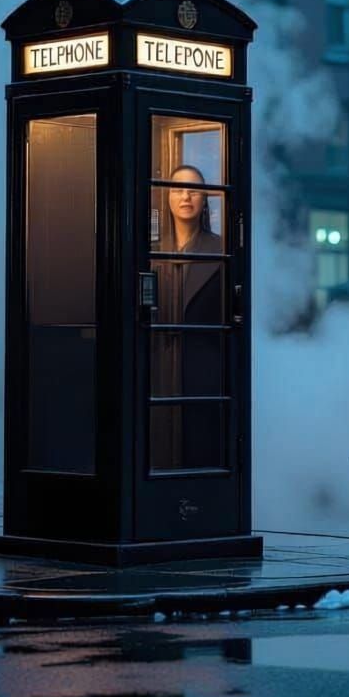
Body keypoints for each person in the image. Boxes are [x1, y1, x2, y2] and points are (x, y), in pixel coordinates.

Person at [152, 164, 224, 470]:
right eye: (178, 189)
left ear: (206, 199)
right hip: (158, 370)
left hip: (205, 372)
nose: (186, 197)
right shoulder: (150, 250)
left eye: (193, 190)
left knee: (200, 445)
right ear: (167, 197)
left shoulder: (222, 249)